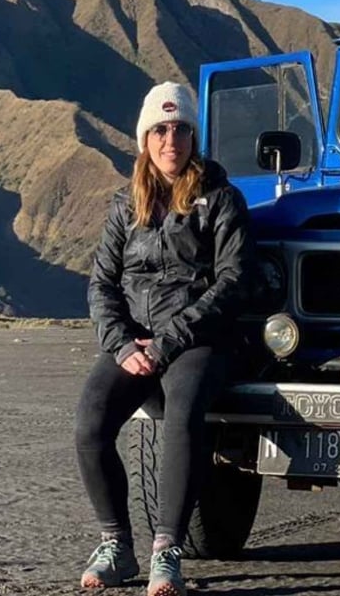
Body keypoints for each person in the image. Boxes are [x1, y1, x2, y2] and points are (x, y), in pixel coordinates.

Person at [75, 81, 252, 596]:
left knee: (181, 417)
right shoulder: (123, 205)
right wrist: (123, 345)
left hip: (198, 339)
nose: (170, 139)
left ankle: (166, 549)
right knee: (89, 426)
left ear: (193, 136)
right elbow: (101, 284)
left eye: (179, 129)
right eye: (159, 129)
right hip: (134, 342)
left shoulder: (220, 198)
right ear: (145, 139)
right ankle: (116, 545)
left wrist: (169, 340)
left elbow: (233, 280)